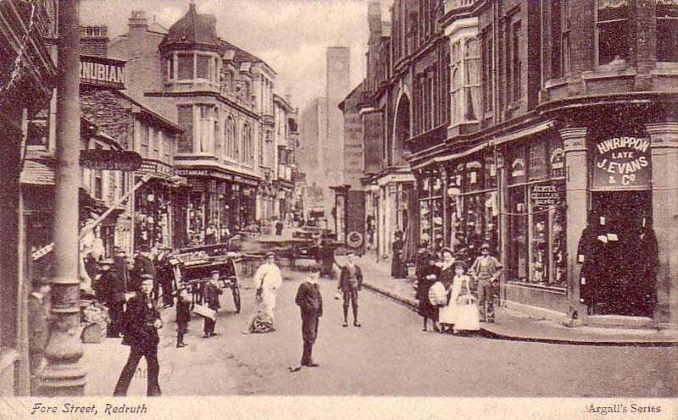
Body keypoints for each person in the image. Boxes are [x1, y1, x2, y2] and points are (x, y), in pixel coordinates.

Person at [114, 274, 162, 397]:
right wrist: (141, 333)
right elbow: (130, 321)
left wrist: (158, 322)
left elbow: (157, 316)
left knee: (153, 365)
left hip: (151, 338)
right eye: (144, 284)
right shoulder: (134, 301)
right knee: (131, 365)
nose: (147, 287)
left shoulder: (151, 300)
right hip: (139, 338)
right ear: (140, 286)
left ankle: (153, 391)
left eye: (149, 284)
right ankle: (120, 392)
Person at [290, 264, 323, 372]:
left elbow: (319, 299)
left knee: (313, 335)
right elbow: (298, 300)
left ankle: (306, 358)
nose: (316, 274)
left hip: (315, 314)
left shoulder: (316, 285)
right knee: (309, 335)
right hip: (308, 315)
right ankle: (307, 359)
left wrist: (319, 310)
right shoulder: (304, 285)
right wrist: (308, 307)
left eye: (317, 272)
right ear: (310, 273)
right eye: (314, 272)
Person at [247, 252, 283, 333]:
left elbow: (279, 279)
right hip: (264, 289)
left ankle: (270, 323)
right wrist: (259, 286)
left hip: (272, 290)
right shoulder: (263, 268)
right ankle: (261, 323)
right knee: (263, 305)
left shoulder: (276, 268)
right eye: (269, 258)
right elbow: (257, 277)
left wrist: (276, 286)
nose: (271, 260)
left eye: (272, 258)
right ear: (267, 259)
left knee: (271, 306)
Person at [28, 275, 50, 395]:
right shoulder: (33, 303)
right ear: (40, 288)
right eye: (46, 286)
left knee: (37, 368)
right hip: (36, 343)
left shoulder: (37, 302)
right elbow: (32, 325)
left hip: (38, 342)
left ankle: (35, 390)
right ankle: (33, 393)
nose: (48, 289)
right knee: (35, 369)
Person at [470, 243, 503, 323]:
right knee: (480, 299)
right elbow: (472, 269)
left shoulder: (493, 260)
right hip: (480, 280)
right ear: (481, 251)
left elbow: (500, 269)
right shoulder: (478, 259)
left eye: (486, 250)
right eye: (483, 250)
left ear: (489, 252)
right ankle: (481, 317)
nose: (484, 252)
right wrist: (475, 276)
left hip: (488, 281)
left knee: (490, 299)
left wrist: (494, 277)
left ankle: (490, 316)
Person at [95, 258, 125, 338]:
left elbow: (108, 288)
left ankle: (115, 332)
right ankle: (115, 331)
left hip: (115, 298)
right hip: (116, 298)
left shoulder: (110, 275)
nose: (102, 267)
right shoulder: (108, 274)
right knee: (115, 315)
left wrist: (104, 299)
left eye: (104, 265)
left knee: (115, 315)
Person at [337, 250, 363, 327]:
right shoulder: (345, 268)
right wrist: (339, 287)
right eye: (349, 257)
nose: (350, 258)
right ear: (347, 258)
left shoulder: (357, 268)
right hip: (346, 286)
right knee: (346, 303)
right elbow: (341, 278)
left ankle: (356, 320)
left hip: (354, 286)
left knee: (355, 303)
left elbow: (360, 277)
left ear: (354, 258)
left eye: (352, 257)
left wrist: (359, 285)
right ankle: (345, 320)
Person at [416, 251, 441, 332]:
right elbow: (419, 278)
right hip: (425, 289)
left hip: (434, 289)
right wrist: (426, 278)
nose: (432, 262)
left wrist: (435, 278)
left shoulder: (437, 269)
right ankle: (425, 325)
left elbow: (440, 278)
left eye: (433, 261)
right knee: (425, 307)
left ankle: (434, 324)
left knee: (434, 307)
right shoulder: (424, 268)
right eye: (430, 261)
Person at [437, 248, 456, 333]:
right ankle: (442, 324)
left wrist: (451, 287)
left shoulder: (453, 266)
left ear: (452, 257)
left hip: (450, 286)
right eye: (445, 257)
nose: (446, 258)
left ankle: (450, 325)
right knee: (442, 305)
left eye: (448, 256)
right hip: (442, 286)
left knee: (450, 306)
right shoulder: (442, 265)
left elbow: (455, 278)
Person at [203, 270, 223, 338]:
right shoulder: (207, 284)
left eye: (218, 275)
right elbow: (205, 294)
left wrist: (217, 287)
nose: (217, 277)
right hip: (209, 302)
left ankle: (211, 331)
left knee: (214, 316)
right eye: (216, 276)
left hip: (215, 302)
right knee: (208, 317)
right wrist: (206, 302)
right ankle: (206, 332)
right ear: (212, 276)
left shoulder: (217, 283)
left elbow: (221, 292)